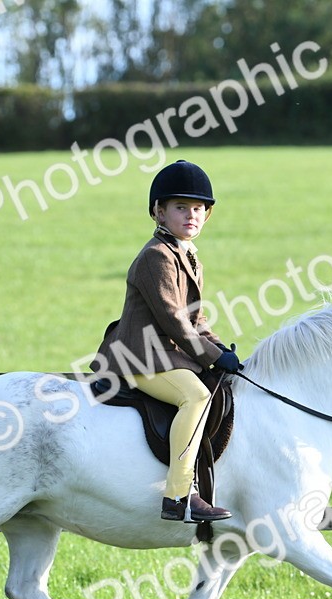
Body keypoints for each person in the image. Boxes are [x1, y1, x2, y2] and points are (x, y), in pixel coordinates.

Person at [93, 160, 243, 523]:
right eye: (180, 208)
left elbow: (196, 318)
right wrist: (208, 354)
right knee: (196, 396)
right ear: (159, 211)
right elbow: (174, 320)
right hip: (141, 357)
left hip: (168, 355)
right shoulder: (155, 257)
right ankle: (178, 496)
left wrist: (221, 351)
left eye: (198, 209)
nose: (191, 215)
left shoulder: (189, 257)